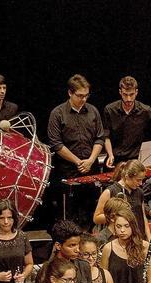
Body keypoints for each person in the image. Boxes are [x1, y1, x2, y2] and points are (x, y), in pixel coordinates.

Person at [46, 74, 104, 229]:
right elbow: (56, 144)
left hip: (90, 168)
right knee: (69, 213)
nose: (84, 99)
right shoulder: (57, 113)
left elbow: (100, 138)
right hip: (67, 170)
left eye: (86, 95)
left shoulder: (93, 111)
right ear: (70, 93)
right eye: (80, 96)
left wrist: (91, 160)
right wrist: (78, 162)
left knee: (90, 210)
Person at [93, 159, 151, 240]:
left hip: (138, 238)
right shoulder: (110, 192)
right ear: (127, 177)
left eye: (142, 180)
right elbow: (96, 218)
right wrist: (116, 216)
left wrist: (149, 239)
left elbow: (143, 217)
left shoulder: (139, 192)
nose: (141, 183)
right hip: (119, 238)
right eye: (138, 180)